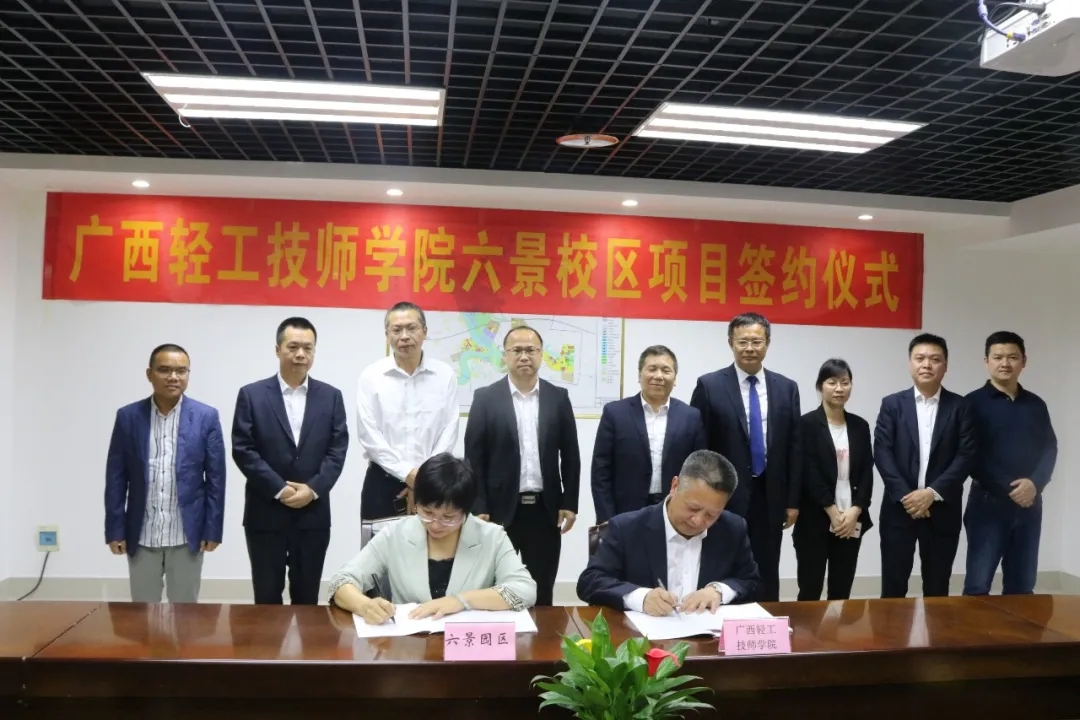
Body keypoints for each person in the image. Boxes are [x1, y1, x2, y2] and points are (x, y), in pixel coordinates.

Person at [328, 454, 537, 623]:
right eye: (427, 513)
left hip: (467, 649)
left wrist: (460, 601)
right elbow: (341, 581)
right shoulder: (395, 534)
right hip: (409, 647)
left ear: (465, 511)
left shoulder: (492, 537)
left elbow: (524, 589)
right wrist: (365, 606)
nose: (436, 525)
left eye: (448, 517)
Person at [232, 317, 349, 605]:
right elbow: (243, 449)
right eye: (293, 347)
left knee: (307, 598)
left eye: (307, 348)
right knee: (266, 597)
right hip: (266, 512)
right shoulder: (252, 395)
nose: (300, 354)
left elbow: (337, 450)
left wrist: (313, 489)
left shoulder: (331, 396)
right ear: (277, 349)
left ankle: (307, 640)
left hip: (313, 514)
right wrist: (279, 489)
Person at [464, 324, 580, 607]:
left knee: (542, 588)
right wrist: (478, 505)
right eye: (517, 350)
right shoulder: (485, 398)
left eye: (531, 350)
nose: (524, 356)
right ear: (504, 355)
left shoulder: (558, 397)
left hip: (545, 510)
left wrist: (570, 502)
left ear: (541, 354)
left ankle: (543, 636)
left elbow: (571, 454)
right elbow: (474, 458)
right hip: (498, 511)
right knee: (493, 587)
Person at [689, 312, 800, 602]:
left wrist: (792, 501)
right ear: (731, 343)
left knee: (767, 566)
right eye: (743, 341)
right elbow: (699, 448)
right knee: (722, 563)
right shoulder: (710, 386)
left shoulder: (786, 388)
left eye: (756, 341)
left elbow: (794, 448)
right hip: (724, 496)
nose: (749, 348)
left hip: (771, 495)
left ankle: (768, 619)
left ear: (767, 343)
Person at [104, 344, 226, 603]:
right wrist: (115, 529)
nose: (173, 377)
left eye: (181, 371)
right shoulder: (128, 417)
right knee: (142, 613)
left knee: (185, 614)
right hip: (141, 533)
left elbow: (216, 480)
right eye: (164, 370)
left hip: (187, 534)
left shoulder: (206, 417)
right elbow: (116, 478)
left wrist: (212, 529)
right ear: (149, 374)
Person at [576, 450, 761, 614]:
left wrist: (719, 591)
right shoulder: (626, 528)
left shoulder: (732, 529)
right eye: (693, 508)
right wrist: (641, 598)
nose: (698, 521)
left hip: (709, 637)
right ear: (674, 486)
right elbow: (590, 582)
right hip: (641, 637)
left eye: (711, 514)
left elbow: (752, 583)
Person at [874, 333, 974, 598]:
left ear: (945, 366)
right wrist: (909, 498)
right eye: (920, 358)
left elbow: (966, 455)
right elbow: (882, 452)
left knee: (937, 588)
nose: (927, 364)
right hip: (899, 509)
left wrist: (931, 493)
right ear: (910, 363)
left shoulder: (961, 406)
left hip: (942, 509)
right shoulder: (892, 404)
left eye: (935, 359)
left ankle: (935, 629)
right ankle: (893, 629)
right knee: (893, 587)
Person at [963, 331, 1057, 596]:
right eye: (998, 357)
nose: (1005, 363)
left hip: (1030, 504)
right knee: (978, 584)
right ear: (986, 362)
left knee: (1022, 584)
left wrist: (1035, 484)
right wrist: (1011, 487)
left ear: (1024, 361)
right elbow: (970, 454)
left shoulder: (1036, 404)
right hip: (987, 503)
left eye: (1013, 357)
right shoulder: (971, 404)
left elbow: (1050, 447)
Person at [356, 302, 458, 520]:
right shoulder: (371, 376)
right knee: (380, 543)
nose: (404, 336)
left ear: (424, 331)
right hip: (382, 483)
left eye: (411, 328)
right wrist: (409, 475)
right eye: (396, 330)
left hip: (434, 483)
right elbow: (369, 435)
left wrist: (423, 478)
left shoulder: (445, 375)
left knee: (433, 542)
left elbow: (449, 431)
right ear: (387, 335)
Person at [591, 345, 707, 524]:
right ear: (639, 375)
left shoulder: (691, 416)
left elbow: (698, 470)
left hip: (675, 509)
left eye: (666, 370)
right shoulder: (615, 413)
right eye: (652, 369)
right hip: (624, 511)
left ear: (675, 378)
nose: (658, 376)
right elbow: (601, 471)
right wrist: (606, 518)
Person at [794, 359, 874, 601]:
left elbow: (866, 472)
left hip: (851, 519)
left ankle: (838, 628)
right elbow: (808, 472)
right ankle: (808, 628)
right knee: (810, 588)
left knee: (841, 590)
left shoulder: (860, 426)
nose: (839, 388)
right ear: (820, 386)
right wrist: (831, 510)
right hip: (815, 518)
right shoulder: (806, 424)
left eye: (845, 382)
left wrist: (856, 510)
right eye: (832, 382)